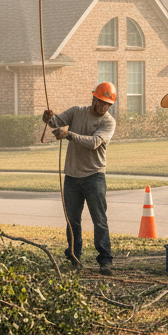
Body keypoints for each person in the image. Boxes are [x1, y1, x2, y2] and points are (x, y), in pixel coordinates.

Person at [43, 82, 117, 275]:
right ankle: (75, 258)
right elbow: (56, 122)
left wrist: (69, 135)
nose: (103, 107)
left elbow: (94, 143)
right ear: (94, 98)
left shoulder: (108, 122)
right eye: (100, 102)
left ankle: (105, 260)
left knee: (99, 219)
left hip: (95, 176)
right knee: (72, 220)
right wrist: (49, 119)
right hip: (72, 176)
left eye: (107, 105)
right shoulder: (77, 111)